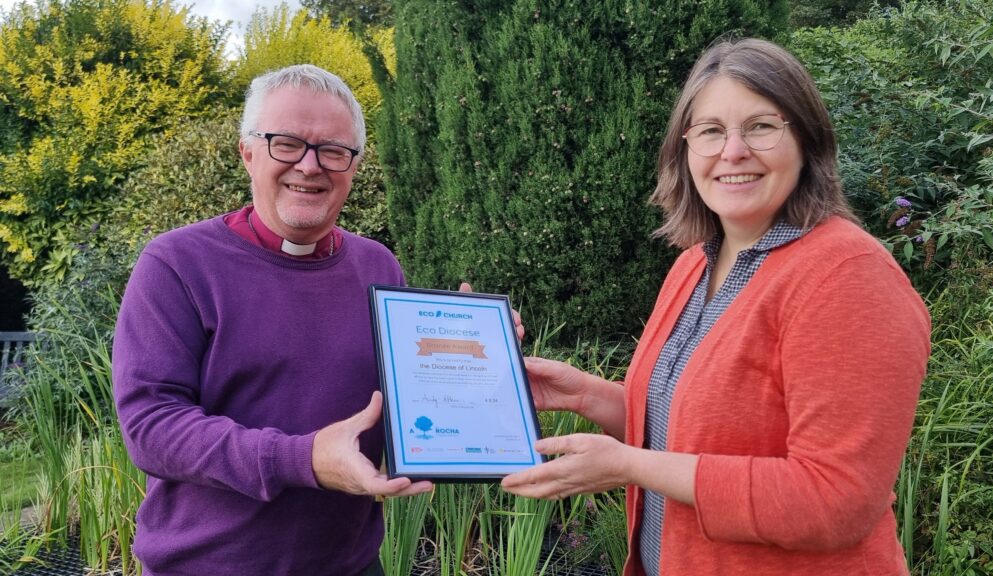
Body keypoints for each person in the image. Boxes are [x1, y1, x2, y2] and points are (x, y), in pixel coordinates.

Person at [501, 38, 931, 575]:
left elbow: (835, 500)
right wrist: (586, 395)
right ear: (685, 150)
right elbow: (690, 431)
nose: (732, 152)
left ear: (808, 140)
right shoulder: (694, 264)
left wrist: (631, 466)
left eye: (761, 126)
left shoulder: (846, 275)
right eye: (710, 131)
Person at [112, 65, 436, 576]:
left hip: (350, 565)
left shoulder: (379, 266)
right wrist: (301, 459)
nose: (310, 166)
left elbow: (402, 402)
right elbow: (152, 427)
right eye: (285, 143)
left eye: (333, 150)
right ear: (247, 151)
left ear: (354, 166)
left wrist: (473, 356)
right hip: (211, 567)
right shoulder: (177, 264)